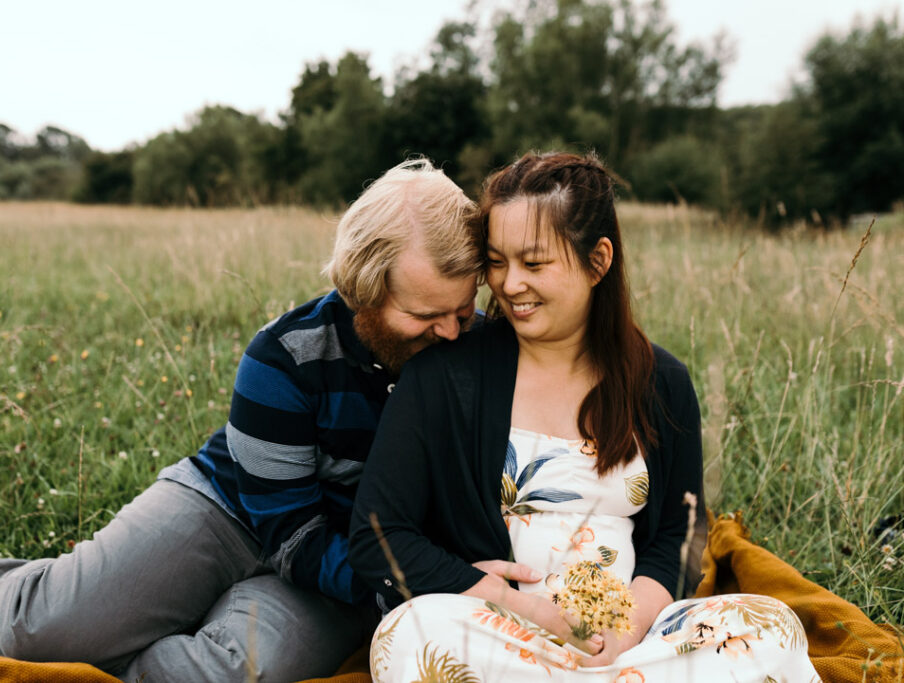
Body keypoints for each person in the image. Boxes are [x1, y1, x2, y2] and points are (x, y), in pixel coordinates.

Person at [0, 158, 483, 682]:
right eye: (426, 314)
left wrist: (402, 581)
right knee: (41, 632)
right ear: (363, 291)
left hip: (347, 561)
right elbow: (290, 533)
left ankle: (106, 664)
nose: (453, 331)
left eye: (464, 308)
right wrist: (409, 582)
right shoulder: (284, 356)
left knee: (245, 669)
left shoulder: (475, 356)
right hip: (229, 510)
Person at [348, 152, 820, 681]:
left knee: (771, 630)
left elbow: (678, 536)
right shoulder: (444, 375)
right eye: (497, 261)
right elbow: (378, 533)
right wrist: (520, 606)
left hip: (633, 647)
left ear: (598, 261)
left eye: (534, 263)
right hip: (499, 633)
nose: (508, 285)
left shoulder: (661, 382)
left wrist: (628, 631)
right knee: (407, 635)